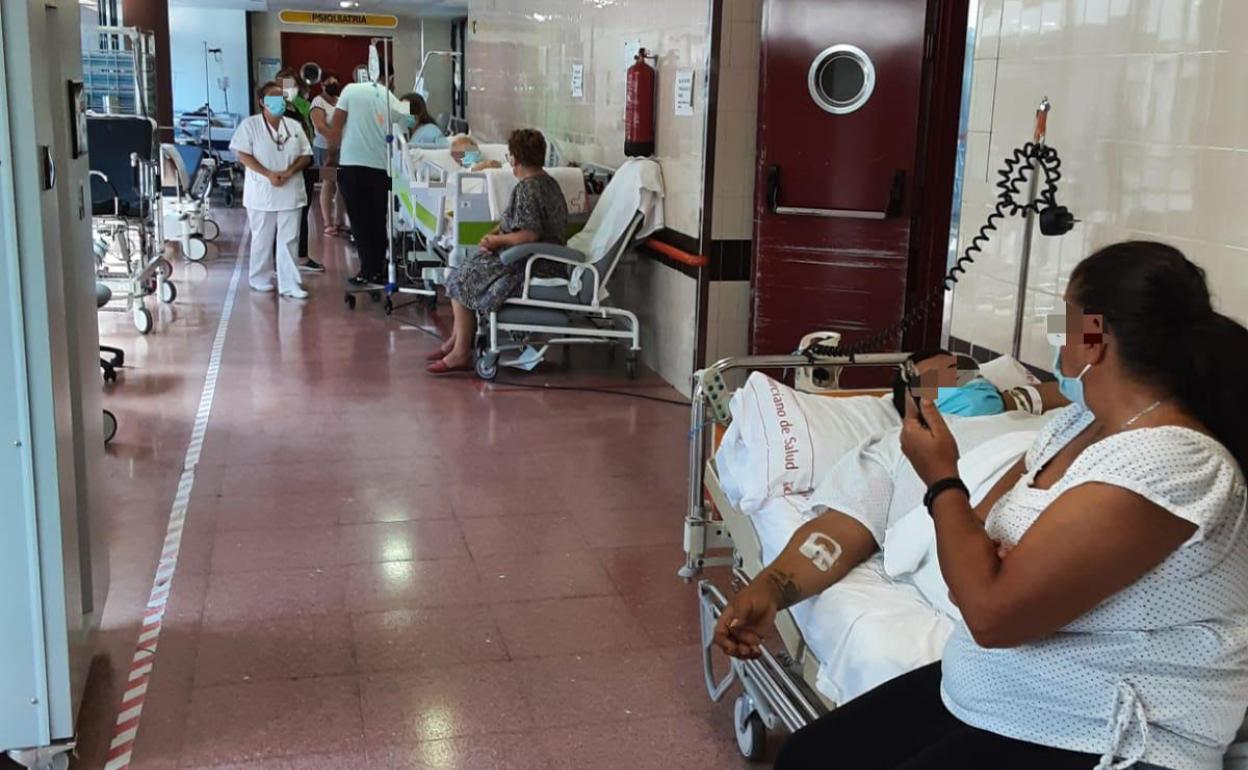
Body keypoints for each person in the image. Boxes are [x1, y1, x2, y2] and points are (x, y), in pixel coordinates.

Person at [751, 242, 1248, 770]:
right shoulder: (1073, 427)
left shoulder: (1173, 464)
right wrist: (987, 559)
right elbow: (980, 527)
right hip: (1001, 692)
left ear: (1094, 338)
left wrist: (941, 477)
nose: (1056, 337)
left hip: (1101, 730)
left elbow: (989, 611)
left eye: (1065, 318)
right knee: (809, 758)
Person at [713, 351, 1065, 657]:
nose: (962, 382)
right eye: (941, 379)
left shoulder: (1057, 424)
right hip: (996, 574)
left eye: (967, 373)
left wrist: (1017, 399)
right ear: (910, 399)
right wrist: (770, 589)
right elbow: (835, 535)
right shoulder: (894, 449)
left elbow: (1088, 391)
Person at [429, 129, 567, 374]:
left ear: (514, 158)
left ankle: (461, 351)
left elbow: (529, 234)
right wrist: (494, 234)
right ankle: (456, 340)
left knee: (458, 278)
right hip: (537, 257)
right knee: (466, 269)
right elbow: (512, 221)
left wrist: (496, 242)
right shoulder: (547, 183)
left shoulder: (529, 189)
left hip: (533, 262)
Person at [326, 60, 407, 287]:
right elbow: (409, 120)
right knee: (377, 220)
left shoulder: (350, 90)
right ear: (390, 77)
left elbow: (336, 125)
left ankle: (367, 269)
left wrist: (331, 155)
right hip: (381, 170)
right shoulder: (392, 99)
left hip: (352, 166)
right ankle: (378, 269)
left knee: (360, 222)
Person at [229, 81, 313, 299]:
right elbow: (241, 153)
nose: (278, 102)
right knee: (262, 237)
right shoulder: (251, 125)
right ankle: (259, 278)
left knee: (289, 239)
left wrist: (289, 171)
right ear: (262, 102)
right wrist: (268, 173)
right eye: (273, 98)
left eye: (281, 97)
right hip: (262, 190)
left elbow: (306, 154)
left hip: (290, 188)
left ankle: (290, 283)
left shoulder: (293, 126)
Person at [276, 69, 324, 273]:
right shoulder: (276, 109)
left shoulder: (303, 105)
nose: (287, 89)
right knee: (284, 214)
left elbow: (311, 129)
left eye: (290, 85)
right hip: (287, 165)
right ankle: (278, 259)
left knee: (303, 210)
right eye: (283, 85)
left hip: (305, 162)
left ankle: (302, 256)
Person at [310, 72, 347, 238]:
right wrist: (334, 137)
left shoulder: (341, 101)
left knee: (343, 184)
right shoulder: (318, 102)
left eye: (335, 81)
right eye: (329, 82)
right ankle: (328, 223)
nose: (333, 84)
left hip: (343, 148)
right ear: (322, 85)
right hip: (325, 149)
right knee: (328, 182)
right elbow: (320, 126)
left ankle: (339, 220)